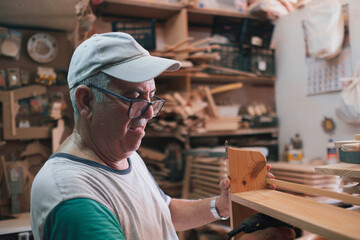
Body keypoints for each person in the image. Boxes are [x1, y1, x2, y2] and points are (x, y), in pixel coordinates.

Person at [30, 32, 295, 240]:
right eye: (133, 98)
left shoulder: (124, 155)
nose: (148, 113)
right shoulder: (74, 199)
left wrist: (221, 206)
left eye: (151, 97)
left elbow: (162, 212)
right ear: (86, 101)